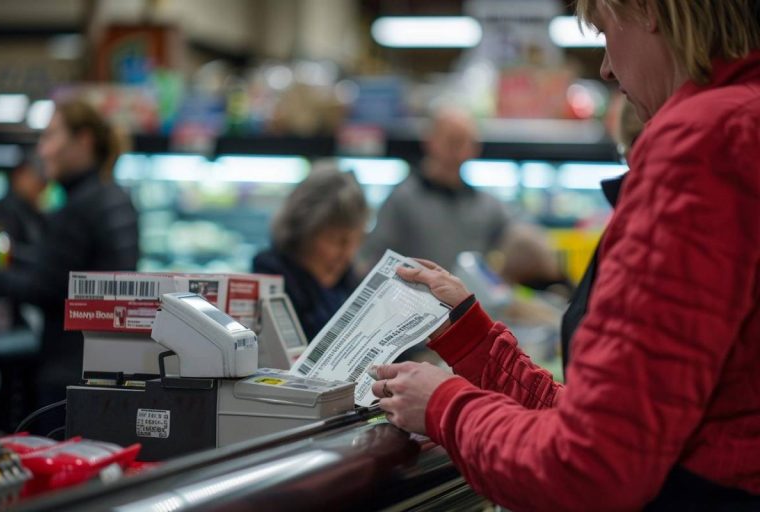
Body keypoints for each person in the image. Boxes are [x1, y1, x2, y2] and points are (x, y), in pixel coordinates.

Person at [370, 1, 760, 510]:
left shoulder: (703, 141)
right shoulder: (741, 120)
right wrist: (471, 337)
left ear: (646, 9)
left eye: (604, 31)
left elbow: (592, 465)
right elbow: (616, 421)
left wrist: (443, 404)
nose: (606, 68)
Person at [0, 99, 139, 419]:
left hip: (69, 374)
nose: (42, 150)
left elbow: (48, 288)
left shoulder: (79, 207)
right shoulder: (115, 196)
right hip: (107, 366)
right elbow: (69, 270)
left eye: (50, 136)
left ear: (83, 140)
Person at [359, 107, 508, 271]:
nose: (457, 151)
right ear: (430, 141)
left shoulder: (488, 206)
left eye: (464, 142)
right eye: (451, 141)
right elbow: (373, 257)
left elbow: (511, 242)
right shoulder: (402, 200)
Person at [252, 164, 367, 340]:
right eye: (337, 240)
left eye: (356, 241)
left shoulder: (348, 282)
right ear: (302, 232)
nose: (347, 254)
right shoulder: (270, 283)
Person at [0, 151, 47, 433]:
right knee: (12, 392)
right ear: (21, 175)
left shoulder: (30, 212)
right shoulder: (6, 212)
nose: (43, 187)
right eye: (39, 179)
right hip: (9, 319)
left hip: (21, 319)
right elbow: (2, 265)